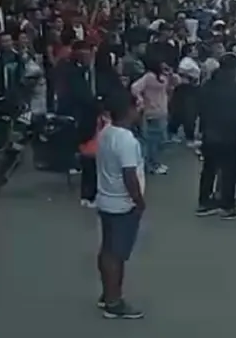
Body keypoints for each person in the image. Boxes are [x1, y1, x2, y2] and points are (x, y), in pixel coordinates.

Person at [94, 86, 145, 320]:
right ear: (129, 110)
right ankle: (114, 302)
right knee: (117, 254)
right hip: (123, 203)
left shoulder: (105, 133)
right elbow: (129, 176)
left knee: (107, 250)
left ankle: (108, 293)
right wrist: (139, 200)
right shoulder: (126, 140)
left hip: (106, 199)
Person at [196, 53, 236, 219]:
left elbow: (201, 109)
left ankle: (204, 202)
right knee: (230, 171)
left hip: (210, 135)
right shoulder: (235, 88)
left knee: (209, 169)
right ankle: (227, 204)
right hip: (229, 136)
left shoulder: (208, 85)